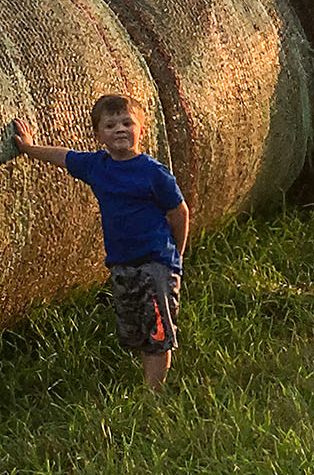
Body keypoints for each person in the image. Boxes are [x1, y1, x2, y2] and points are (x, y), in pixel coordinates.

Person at [11, 94, 189, 393]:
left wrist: (176, 258)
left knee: (158, 333)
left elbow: (179, 212)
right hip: (122, 263)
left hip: (156, 263)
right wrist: (29, 148)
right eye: (110, 125)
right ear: (97, 135)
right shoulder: (96, 166)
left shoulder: (153, 172)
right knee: (135, 329)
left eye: (127, 123)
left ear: (140, 131)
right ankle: (148, 383)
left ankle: (154, 397)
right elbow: (62, 155)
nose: (120, 129)